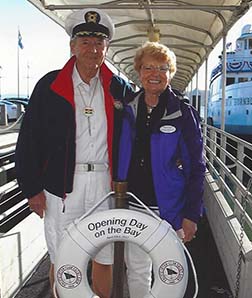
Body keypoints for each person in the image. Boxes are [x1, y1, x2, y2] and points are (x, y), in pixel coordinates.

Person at [15, 8, 133, 298]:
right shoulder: (50, 86)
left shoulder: (120, 88)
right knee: (64, 258)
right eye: (85, 42)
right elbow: (29, 139)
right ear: (72, 46)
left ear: (106, 48)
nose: (92, 49)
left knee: (104, 259)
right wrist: (32, 188)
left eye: (98, 43)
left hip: (105, 185)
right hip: (62, 186)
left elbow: (138, 133)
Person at [116, 41, 206, 298]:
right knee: (136, 269)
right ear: (138, 71)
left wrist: (192, 214)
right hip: (133, 204)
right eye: (148, 67)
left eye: (162, 68)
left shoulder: (183, 113)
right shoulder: (125, 109)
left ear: (170, 73)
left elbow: (197, 166)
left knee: (169, 271)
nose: (155, 74)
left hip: (169, 207)